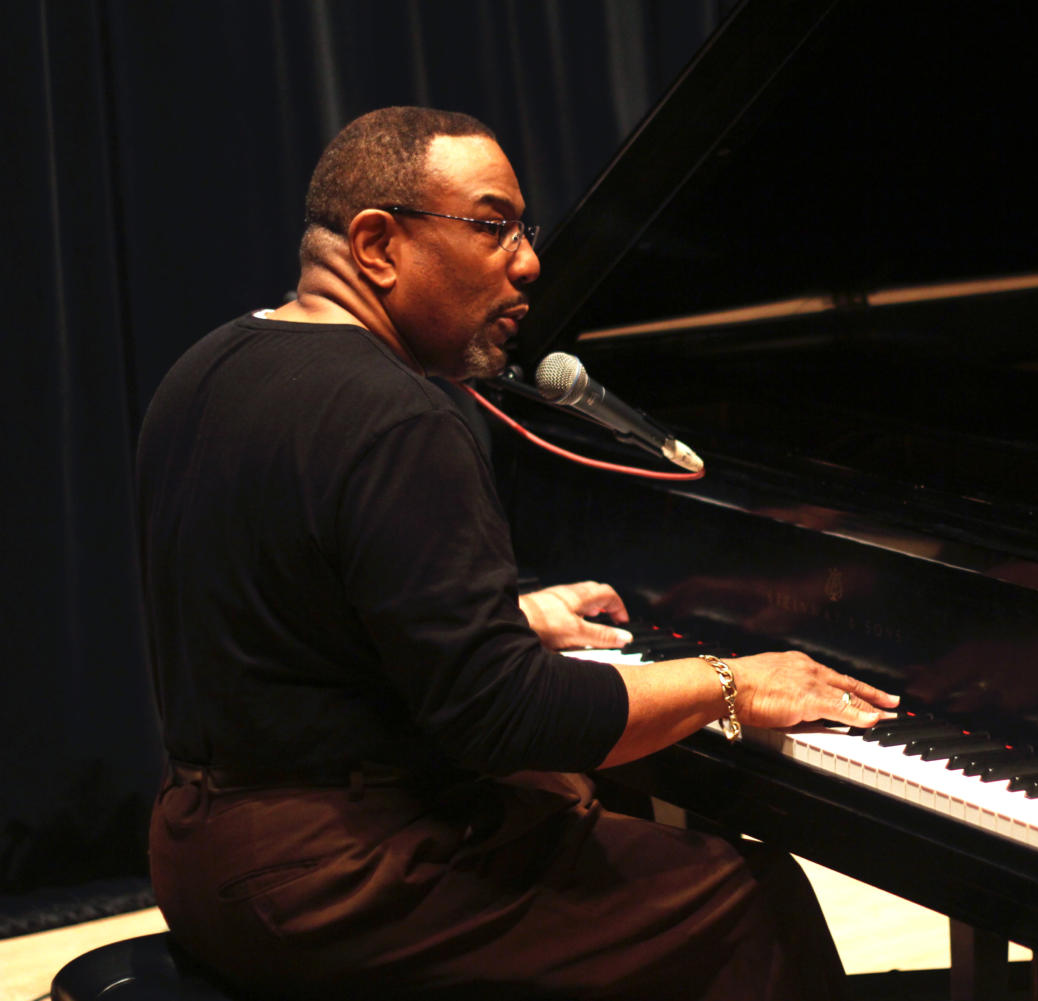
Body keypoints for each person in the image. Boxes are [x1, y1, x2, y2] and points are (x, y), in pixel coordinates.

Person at [135, 106, 900, 1001]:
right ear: (377, 244)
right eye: (492, 227)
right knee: (743, 896)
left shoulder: (207, 365)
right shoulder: (400, 415)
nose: (529, 260)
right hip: (335, 881)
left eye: (522, 231)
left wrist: (503, 620)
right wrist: (727, 681)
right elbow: (504, 719)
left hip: (197, 854)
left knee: (577, 802)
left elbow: (277, 614)